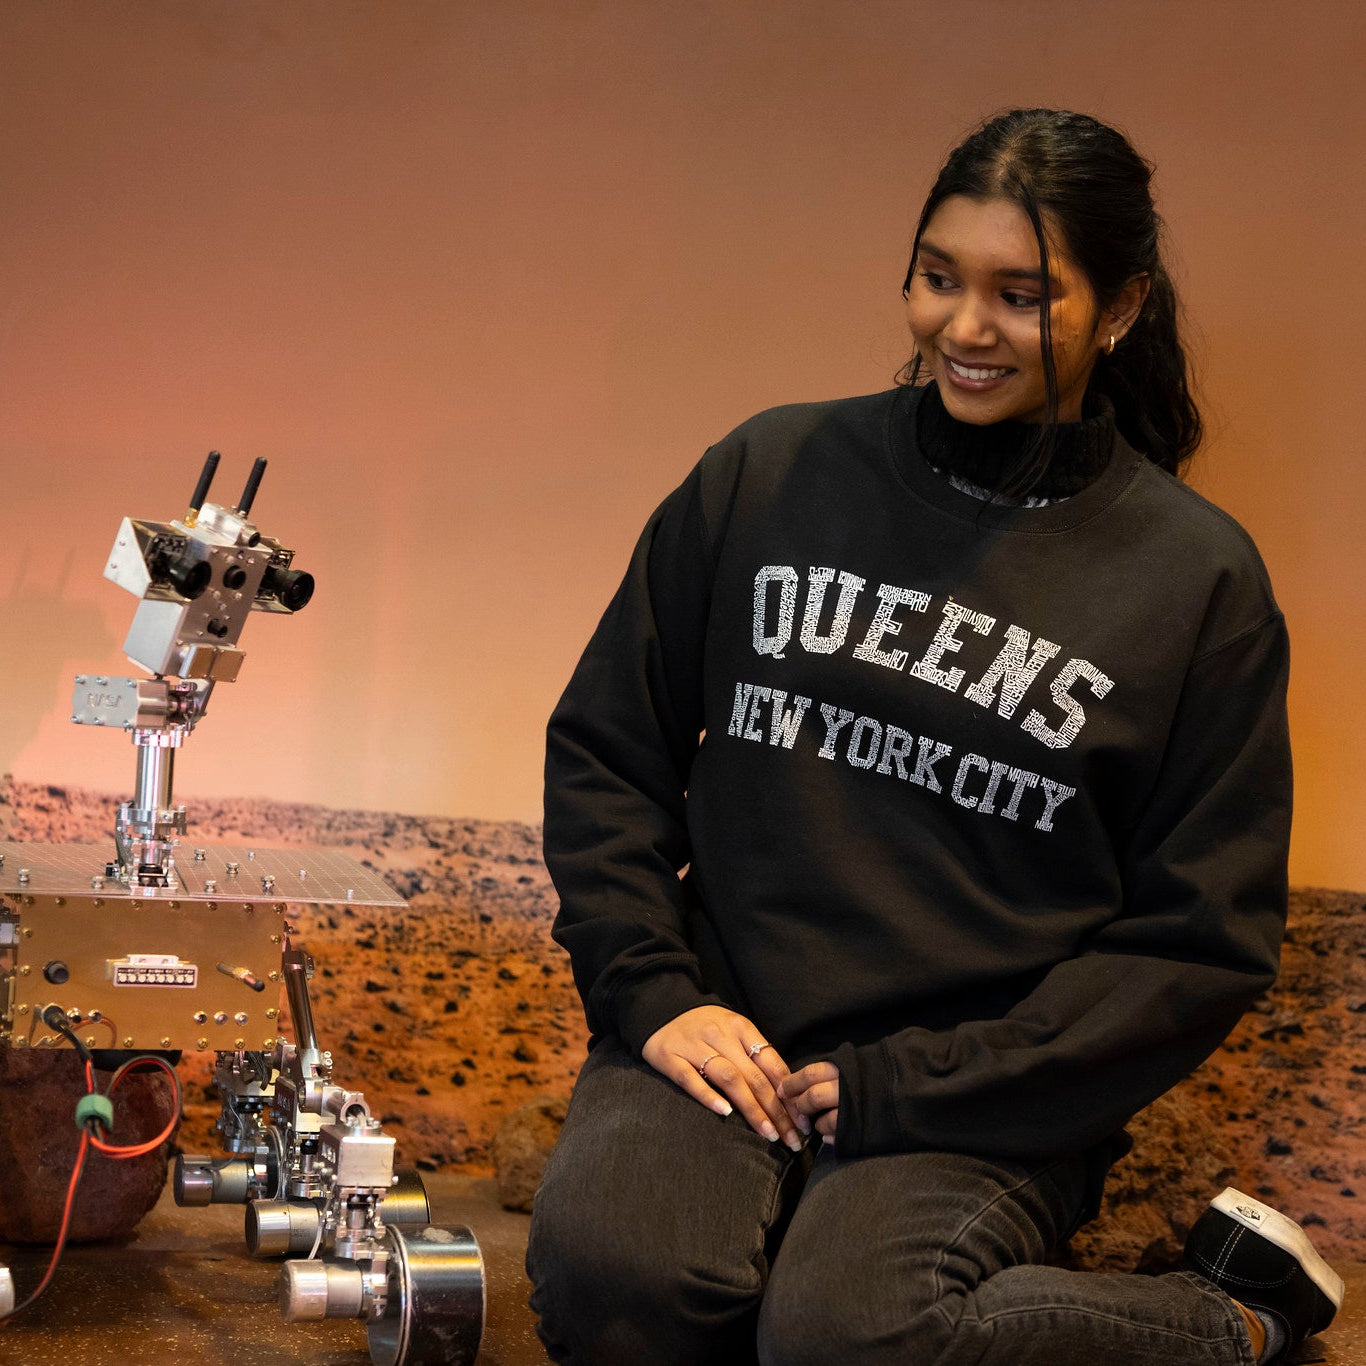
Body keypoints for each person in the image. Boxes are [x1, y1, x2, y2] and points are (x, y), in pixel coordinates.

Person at [526, 108, 1342, 1365]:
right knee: (619, 1281)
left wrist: (927, 1086)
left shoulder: (1196, 582)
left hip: (984, 1090)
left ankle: (1230, 1317)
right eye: (937, 278)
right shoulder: (769, 470)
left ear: (1117, 308)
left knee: (845, 1335)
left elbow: (1198, 941)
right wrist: (653, 993)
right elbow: (607, 749)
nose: (964, 329)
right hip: (723, 1028)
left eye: (1022, 295)